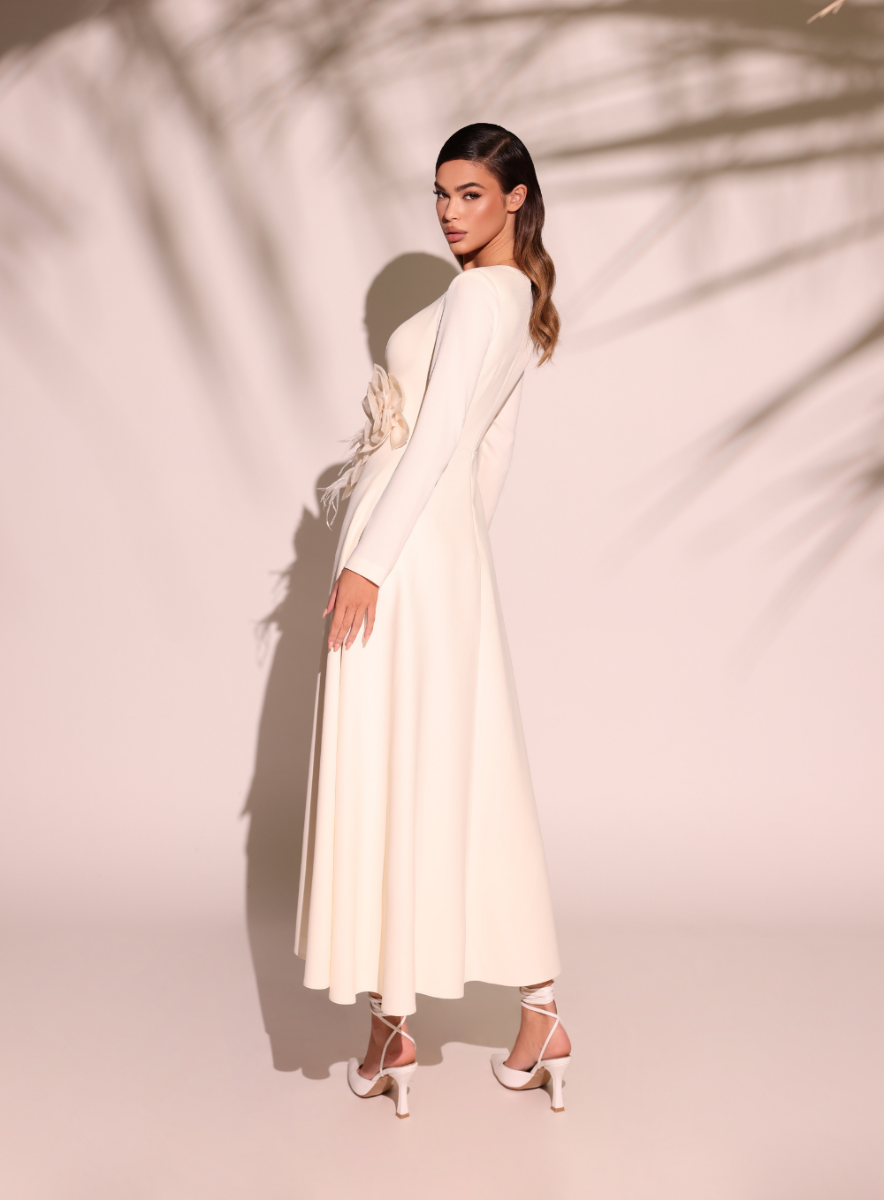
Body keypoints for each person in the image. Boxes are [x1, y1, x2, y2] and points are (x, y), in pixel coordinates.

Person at [294, 123, 571, 1118]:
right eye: (441, 195)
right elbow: (490, 452)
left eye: (469, 194)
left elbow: (447, 431)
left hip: (400, 546)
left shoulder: (476, 295)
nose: (450, 213)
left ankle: (392, 1028)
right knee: (455, 765)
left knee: (391, 769)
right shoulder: (519, 299)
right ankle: (535, 1014)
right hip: (436, 550)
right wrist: (457, 558)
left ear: (515, 198)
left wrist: (372, 564)